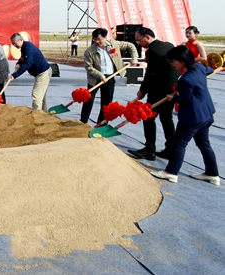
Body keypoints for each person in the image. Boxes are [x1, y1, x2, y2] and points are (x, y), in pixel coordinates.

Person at [150, 45, 219, 185]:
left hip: (192, 117)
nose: (172, 64)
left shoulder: (185, 80)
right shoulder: (199, 68)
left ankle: (171, 172)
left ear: (182, 61)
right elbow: (210, 70)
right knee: (204, 144)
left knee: (179, 144)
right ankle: (212, 174)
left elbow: (185, 99)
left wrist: (172, 98)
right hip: (206, 115)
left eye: (173, 61)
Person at [127, 28, 179, 161]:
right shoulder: (168, 45)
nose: (138, 43)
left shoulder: (152, 51)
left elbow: (151, 74)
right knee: (166, 118)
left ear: (148, 37)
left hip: (159, 89)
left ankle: (149, 150)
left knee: (148, 117)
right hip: (172, 88)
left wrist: (142, 91)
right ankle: (171, 150)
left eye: (139, 40)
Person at [80, 28, 138, 124]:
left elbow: (130, 45)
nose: (97, 41)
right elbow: (88, 67)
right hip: (95, 78)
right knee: (88, 99)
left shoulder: (114, 44)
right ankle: (83, 121)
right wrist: (100, 75)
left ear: (105, 37)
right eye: (95, 39)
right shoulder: (89, 51)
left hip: (110, 77)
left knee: (106, 103)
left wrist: (134, 58)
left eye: (99, 39)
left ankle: (101, 123)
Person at [8, 34, 50, 111]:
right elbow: (23, 58)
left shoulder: (29, 49)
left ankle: (37, 114)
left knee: (36, 95)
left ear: (21, 40)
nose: (14, 45)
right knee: (41, 95)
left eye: (15, 43)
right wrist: (19, 63)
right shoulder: (24, 47)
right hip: (40, 72)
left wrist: (14, 75)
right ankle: (44, 113)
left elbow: (27, 64)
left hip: (43, 73)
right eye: (13, 44)